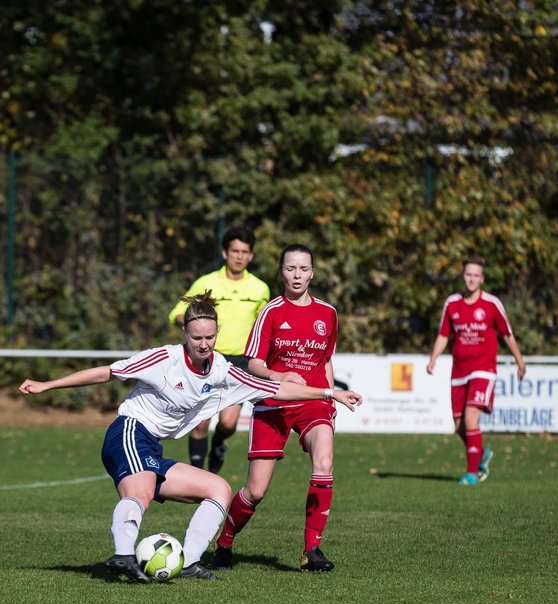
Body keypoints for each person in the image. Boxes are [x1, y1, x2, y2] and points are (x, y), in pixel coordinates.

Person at [19, 291, 362, 583]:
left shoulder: (222, 370)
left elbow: (274, 388)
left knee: (219, 489)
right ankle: (123, 555)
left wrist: (330, 394)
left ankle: (191, 562)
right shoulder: (164, 359)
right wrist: (48, 385)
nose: (203, 344)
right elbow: (105, 372)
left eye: (209, 338)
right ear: (184, 332)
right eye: (196, 337)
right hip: (128, 432)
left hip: (152, 447)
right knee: (140, 492)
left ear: (216, 334)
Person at [213, 244, 342, 572]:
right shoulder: (271, 312)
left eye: (303, 269)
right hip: (273, 403)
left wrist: (329, 398)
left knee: (324, 462)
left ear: (313, 272)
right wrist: (278, 374)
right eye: (290, 269)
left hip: (313, 403)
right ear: (281, 272)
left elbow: (326, 361)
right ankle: (225, 540)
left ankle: (312, 550)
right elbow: (253, 363)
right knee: (255, 491)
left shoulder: (328, 314)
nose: (297, 275)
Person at [167, 226, 270, 474]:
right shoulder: (206, 283)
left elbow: (263, 327)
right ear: (225, 253)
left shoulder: (260, 289)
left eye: (244, 251)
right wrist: (191, 323)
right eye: (234, 250)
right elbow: (176, 314)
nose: (239, 256)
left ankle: (220, 443)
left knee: (228, 422)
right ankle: (197, 476)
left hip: (240, 363)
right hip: (207, 359)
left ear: (251, 256)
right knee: (200, 423)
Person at [425, 255, 526, 485]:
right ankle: (481, 454)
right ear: (464, 276)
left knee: (471, 418)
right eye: (468, 274)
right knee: (459, 424)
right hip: (459, 371)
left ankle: (472, 474)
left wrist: (520, 361)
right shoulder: (452, 303)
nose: (471, 279)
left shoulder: (492, 304)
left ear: (482, 278)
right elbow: (443, 334)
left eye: (476, 275)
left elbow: (507, 334)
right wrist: (433, 359)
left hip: (484, 369)